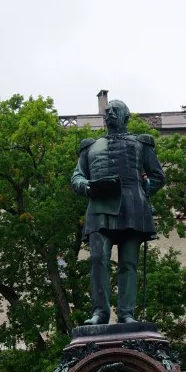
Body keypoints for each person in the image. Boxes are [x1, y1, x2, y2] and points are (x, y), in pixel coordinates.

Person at [71, 99, 165, 325]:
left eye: (116, 110)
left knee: (128, 263)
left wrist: (144, 189)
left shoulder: (141, 144)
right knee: (97, 258)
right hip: (99, 207)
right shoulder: (90, 147)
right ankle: (100, 313)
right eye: (108, 110)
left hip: (133, 207)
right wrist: (86, 186)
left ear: (126, 116)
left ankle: (126, 313)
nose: (110, 113)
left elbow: (158, 176)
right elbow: (77, 176)